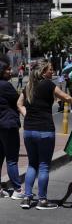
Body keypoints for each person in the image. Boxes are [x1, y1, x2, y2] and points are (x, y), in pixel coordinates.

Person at [17, 59, 72, 210]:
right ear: (43, 71)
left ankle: (27, 197)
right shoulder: (49, 84)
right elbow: (66, 97)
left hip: (29, 130)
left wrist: (27, 115)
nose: (53, 71)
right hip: (44, 130)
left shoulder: (29, 85)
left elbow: (19, 104)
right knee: (44, 165)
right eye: (50, 69)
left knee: (32, 164)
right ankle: (42, 200)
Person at [0, 55, 24, 199]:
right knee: (12, 159)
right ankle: (17, 189)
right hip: (8, 125)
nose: (10, 71)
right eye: (8, 69)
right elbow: (18, 100)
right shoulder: (5, 85)